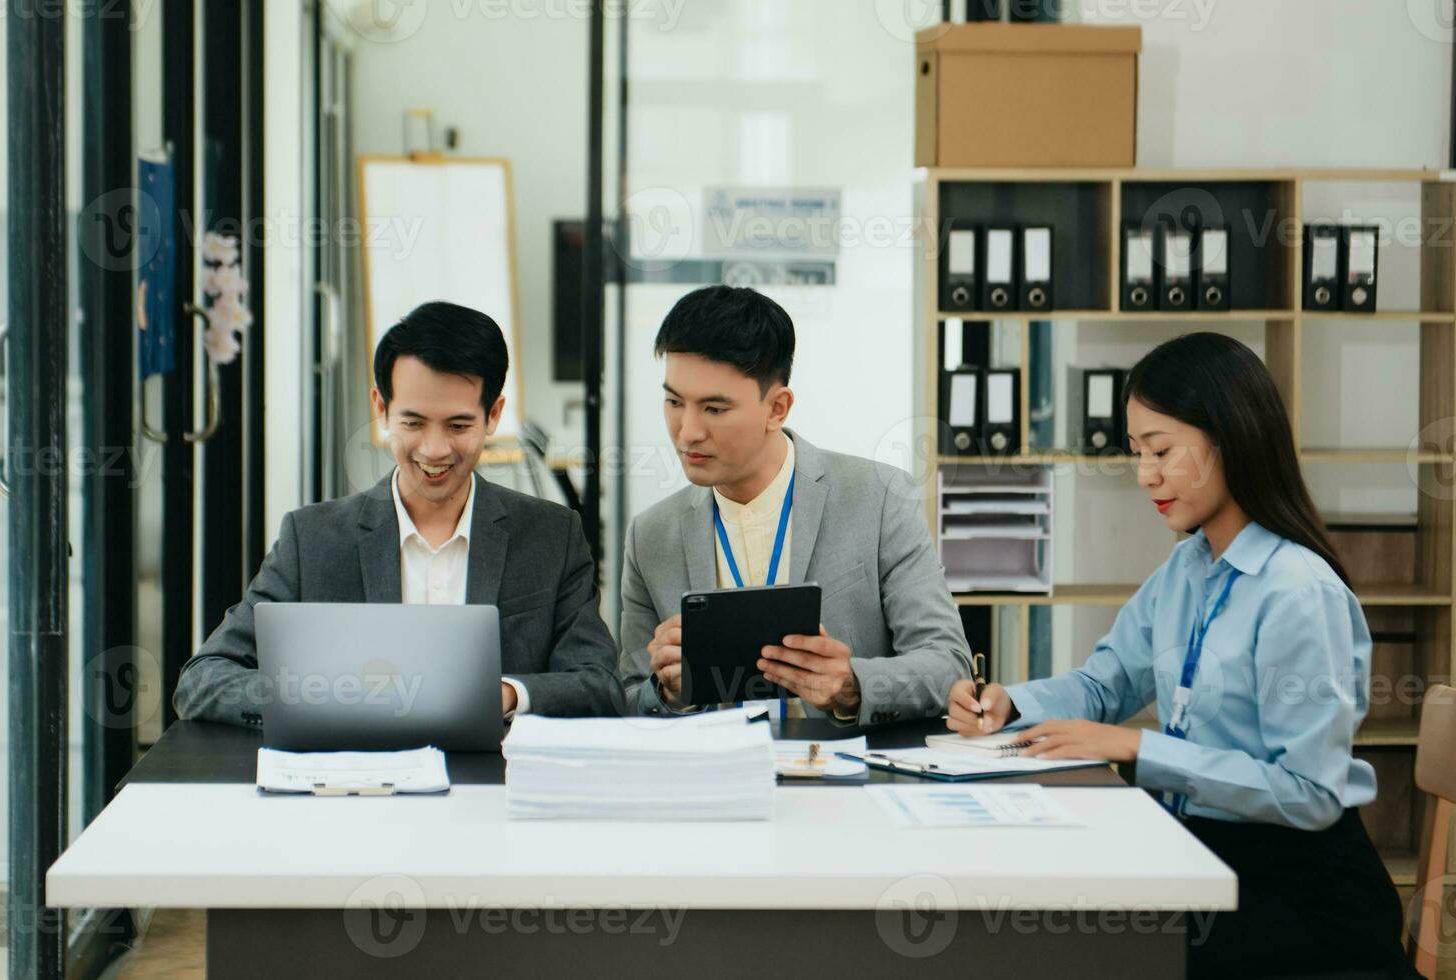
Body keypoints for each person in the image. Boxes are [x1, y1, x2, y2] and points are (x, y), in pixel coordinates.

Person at [946, 333, 1412, 978]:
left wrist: (1137, 749)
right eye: (1137, 453)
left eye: (1161, 451)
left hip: (1298, 895)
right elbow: (1106, 682)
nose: (1145, 474)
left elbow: (1309, 793)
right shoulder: (1188, 566)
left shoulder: (1297, 592)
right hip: (1204, 857)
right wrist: (1012, 702)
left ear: (1231, 438)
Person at [173, 301, 623, 724]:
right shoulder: (313, 539)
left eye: (459, 425)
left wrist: (504, 695)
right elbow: (203, 680)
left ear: (493, 416)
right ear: (381, 409)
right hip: (357, 789)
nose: (434, 449)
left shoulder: (551, 536)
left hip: (495, 789)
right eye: (412, 423)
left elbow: (599, 685)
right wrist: (327, 697)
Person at [621, 284, 971, 723]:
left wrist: (852, 686)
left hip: (841, 778)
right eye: (674, 402)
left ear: (777, 408)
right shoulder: (651, 535)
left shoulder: (879, 498)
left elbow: (948, 664)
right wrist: (666, 692)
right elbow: (628, 696)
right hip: (712, 780)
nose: (687, 431)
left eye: (713, 409)